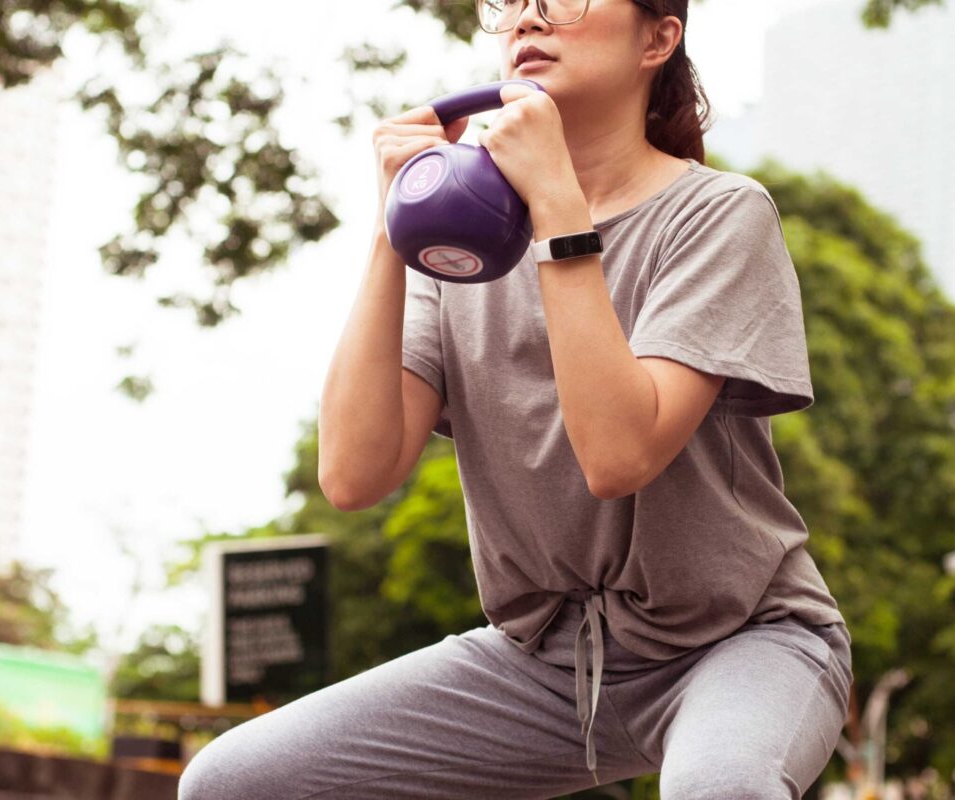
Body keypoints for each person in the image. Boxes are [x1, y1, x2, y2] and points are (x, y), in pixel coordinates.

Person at [177, 0, 853, 797]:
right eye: (509, 3)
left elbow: (617, 455)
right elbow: (353, 476)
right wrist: (395, 224)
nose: (528, 17)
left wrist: (558, 209)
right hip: (541, 661)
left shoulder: (716, 215)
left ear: (658, 38)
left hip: (740, 641)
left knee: (722, 790)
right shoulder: (463, 242)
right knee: (233, 783)